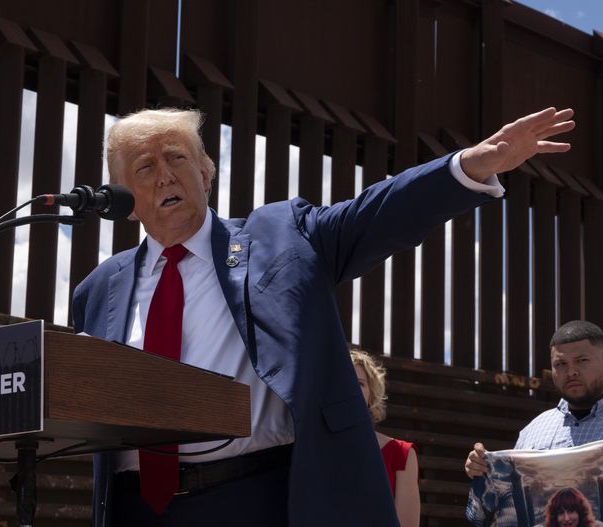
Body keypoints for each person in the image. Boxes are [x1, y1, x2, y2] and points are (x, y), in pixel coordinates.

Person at [73, 106, 574, 527]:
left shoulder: (281, 239)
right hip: (134, 507)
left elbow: (376, 213)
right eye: (144, 167)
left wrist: (468, 167)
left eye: (176, 158)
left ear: (205, 173)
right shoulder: (98, 291)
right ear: (124, 201)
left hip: (254, 497)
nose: (164, 175)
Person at [465, 320, 603, 481]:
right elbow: (513, 504)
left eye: (581, 360)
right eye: (561, 364)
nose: (571, 371)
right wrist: (483, 470)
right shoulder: (532, 432)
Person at [351, 348, 420, 527]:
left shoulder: (401, 454)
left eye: (359, 383)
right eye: (344, 381)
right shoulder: (312, 448)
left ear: (371, 394)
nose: (350, 387)